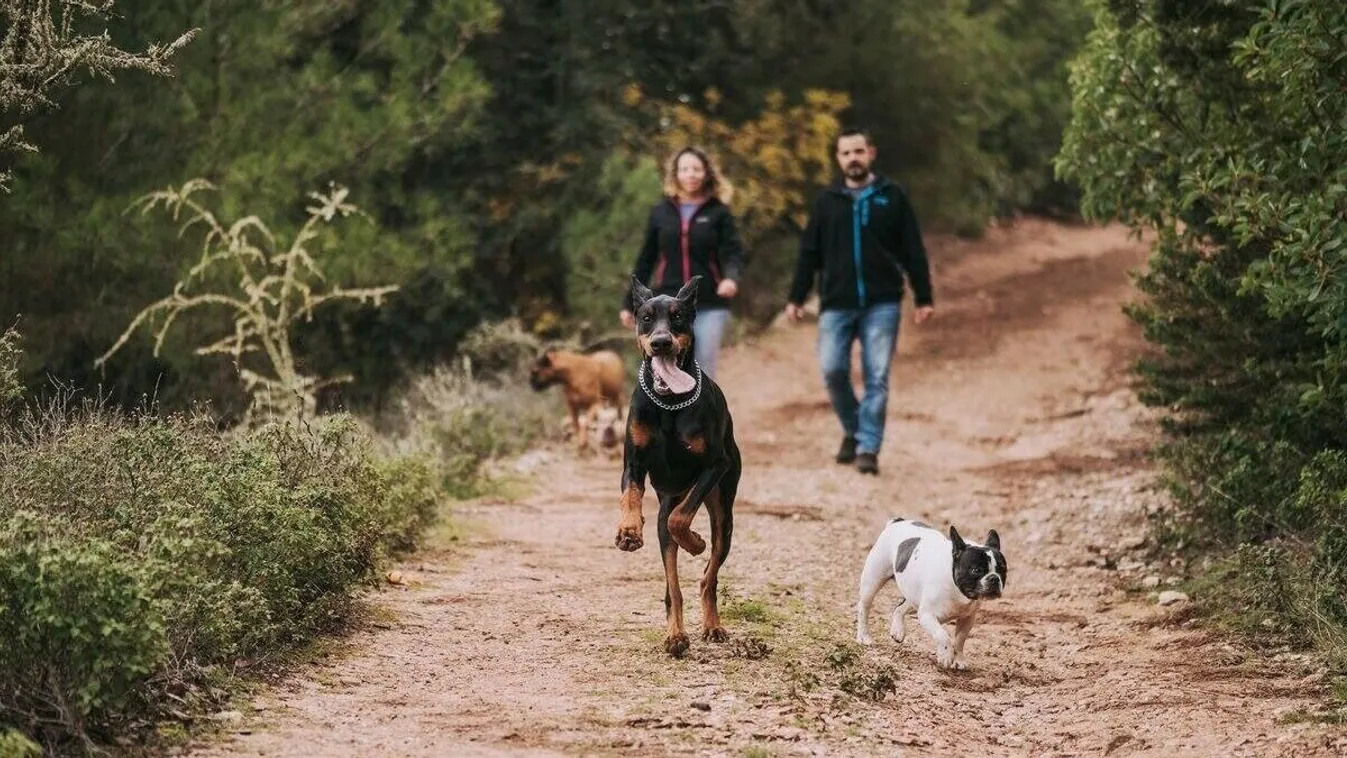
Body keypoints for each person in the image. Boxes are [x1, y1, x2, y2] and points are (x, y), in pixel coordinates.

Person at [784, 128, 934, 476]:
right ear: (838, 158)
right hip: (836, 302)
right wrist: (796, 296)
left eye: (858, 151)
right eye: (846, 153)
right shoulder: (826, 201)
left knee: (876, 375)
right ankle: (854, 429)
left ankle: (868, 447)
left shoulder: (892, 196)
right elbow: (809, 253)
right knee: (832, 369)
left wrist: (923, 296)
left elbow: (913, 249)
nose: (853, 158)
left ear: (871, 154)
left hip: (882, 303)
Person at [621, 146, 745, 380]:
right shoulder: (661, 212)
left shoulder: (719, 212)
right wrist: (629, 303)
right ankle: (670, 403)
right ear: (675, 174)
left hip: (709, 301)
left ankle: (703, 405)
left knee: (702, 365)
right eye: (685, 169)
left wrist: (731, 278)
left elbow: (733, 252)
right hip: (667, 303)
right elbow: (646, 258)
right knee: (665, 362)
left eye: (697, 169)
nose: (691, 174)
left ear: (706, 173)